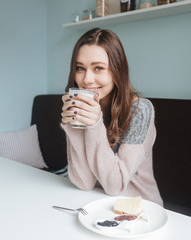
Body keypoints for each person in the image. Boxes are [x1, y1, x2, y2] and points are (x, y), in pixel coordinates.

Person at [60, 28, 163, 206]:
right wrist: (73, 124)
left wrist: (94, 125)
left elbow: (115, 185)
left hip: (140, 210)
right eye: (80, 68)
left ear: (117, 70)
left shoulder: (140, 110)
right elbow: (83, 182)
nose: (87, 80)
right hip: (98, 205)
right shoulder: (81, 104)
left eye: (98, 68)